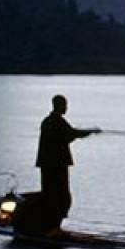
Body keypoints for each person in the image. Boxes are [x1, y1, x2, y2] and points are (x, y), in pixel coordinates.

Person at [35, 94, 98, 228]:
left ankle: (52, 222)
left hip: (49, 165)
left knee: (52, 193)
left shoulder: (51, 121)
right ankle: (52, 222)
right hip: (55, 165)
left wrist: (88, 132)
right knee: (59, 195)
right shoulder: (55, 122)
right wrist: (90, 132)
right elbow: (71, 134)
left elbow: (71, 133)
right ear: (58, 106)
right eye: (64, 105)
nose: (66, 108)